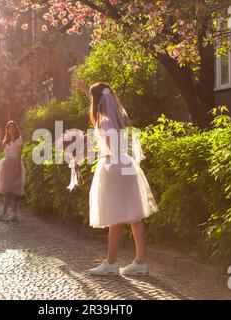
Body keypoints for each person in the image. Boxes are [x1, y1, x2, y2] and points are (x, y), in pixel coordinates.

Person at [74, 79, 158, 276]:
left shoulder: (103, 121)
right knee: (133, 217)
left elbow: (110, 148)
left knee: (114, 217)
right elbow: (102, 98)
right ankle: (140, 262)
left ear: (96, 102)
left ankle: (111, 263)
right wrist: (86, 90)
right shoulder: (118, 115)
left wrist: (84, 153)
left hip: (113, 167)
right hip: (126, 165)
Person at [0, 121, 25, 222]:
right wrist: (0, 135)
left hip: (15, 164)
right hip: (6, 165)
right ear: (7, 129)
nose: (11, 129)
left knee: (14, 190)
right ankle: (7, 212)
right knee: (7, 190)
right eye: (9, 128)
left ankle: (12, 213)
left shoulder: (19, 140)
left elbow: (18, 155)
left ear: (16, 128)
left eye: (13, 127)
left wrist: (17, 169)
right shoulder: (6, 140)